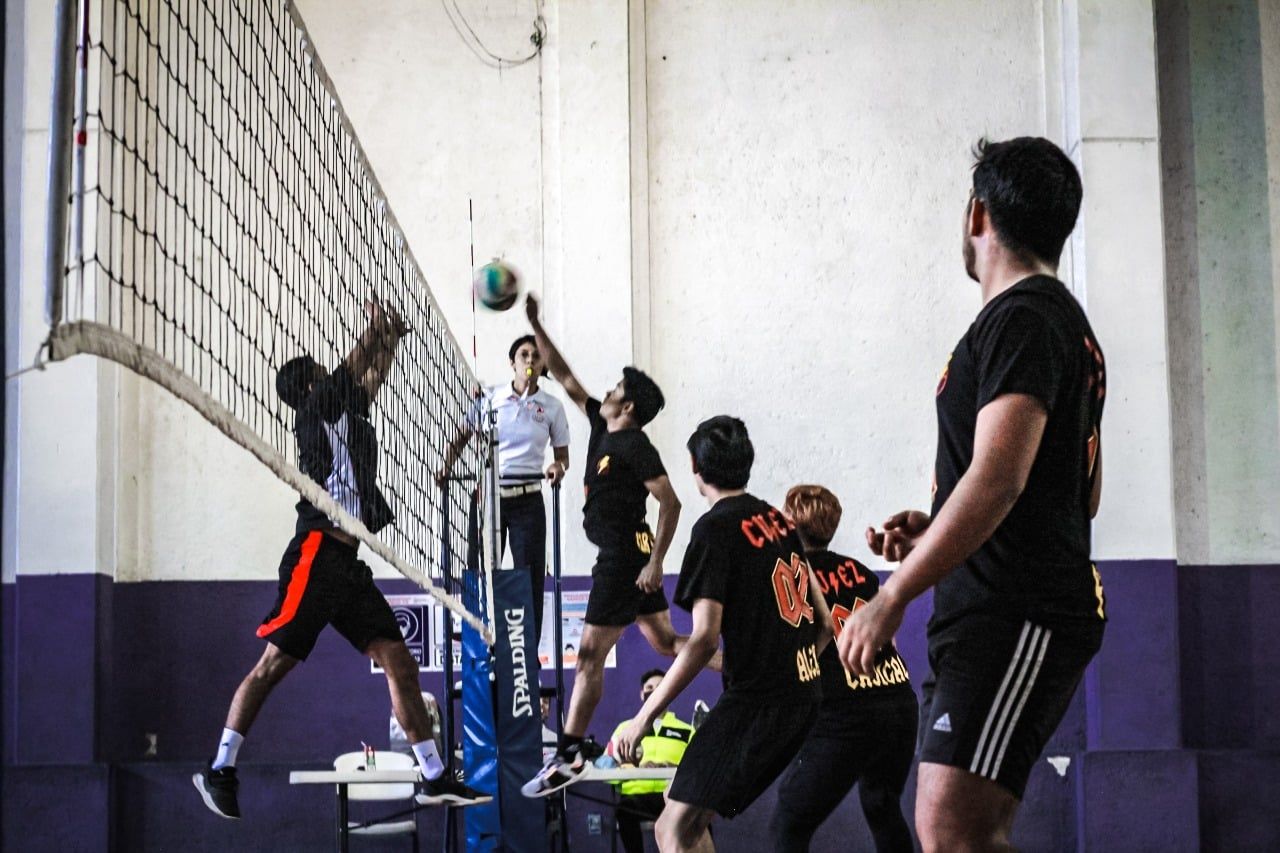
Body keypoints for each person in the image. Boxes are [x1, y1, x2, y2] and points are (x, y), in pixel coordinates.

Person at [838, 137, 1107, 853]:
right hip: (991, 609)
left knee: (955, 830)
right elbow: (1078, 490)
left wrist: (892, 595)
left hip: (1017, 609)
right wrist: (935, 528)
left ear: (978, 214)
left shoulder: (1024, 316)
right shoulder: (1059, 326)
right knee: (951, 829)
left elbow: (998, 479)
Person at [193, 300, 489, 819]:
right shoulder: (314, 410)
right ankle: (221, 768)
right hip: (316, 551)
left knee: (398, 660)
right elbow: (356, 365)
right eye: (322, 371)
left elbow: (370, 380)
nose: (331, 372)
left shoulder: (344, 413)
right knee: (274, 664)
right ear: (311, 384)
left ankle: (433, 776)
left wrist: (390, 339)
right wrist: (374, 328)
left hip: (348, 565)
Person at [615, 416, 834, 853]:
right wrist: (793, 666)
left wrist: (643, 719)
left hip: (758, 702)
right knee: (683, 810)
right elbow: (826, 624)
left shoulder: (714, 529)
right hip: (804, 697)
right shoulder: (780, 522)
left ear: (694, 466)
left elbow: (703, 641)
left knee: (671, 829)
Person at [521, 294, 709, 798]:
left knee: (588, 655)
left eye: (616, 390)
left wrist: (655, 563)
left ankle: (569, 753)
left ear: (627, 407)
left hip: (625, 557)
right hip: (628, 553)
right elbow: (564, 375)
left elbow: (671, 503)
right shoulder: (600, 425)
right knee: (666, 643)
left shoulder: (634, 444)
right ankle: (745, 667)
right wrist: (536, 323)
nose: (605, 391)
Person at [771, 485, 917, 853]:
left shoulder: (790, 576)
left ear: (788, 522)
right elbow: (890, 636)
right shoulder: (861, 572)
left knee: (788, 821)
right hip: (899, 701)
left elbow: (790, 650)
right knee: (882, 807)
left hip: (847, 711)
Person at [439, 334, 571, 637]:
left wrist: (558, 467)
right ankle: (475, 634)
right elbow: (461, 436)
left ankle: (527, 648)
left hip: (528, 499)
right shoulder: (490, 398)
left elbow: (562, 457)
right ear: (512, 362)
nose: (530, 360)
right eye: (524, 354)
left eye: (536, 355)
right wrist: (446, 467)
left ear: (542, 364)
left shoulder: (552, 407)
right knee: (479, 568)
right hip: (490, 497)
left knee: (529, 574)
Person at [606, 669, 696, 853]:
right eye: (649, 688)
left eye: (661, 687)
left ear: (670, 691)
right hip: (637, 798)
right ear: (642, 694)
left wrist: (673, 767)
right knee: (624, 810)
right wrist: (635, 768)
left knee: (698, 812)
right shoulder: (625, 729)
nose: (654, 691)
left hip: (674, 798)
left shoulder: (687, 731)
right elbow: (606, 768)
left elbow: (699, 769)